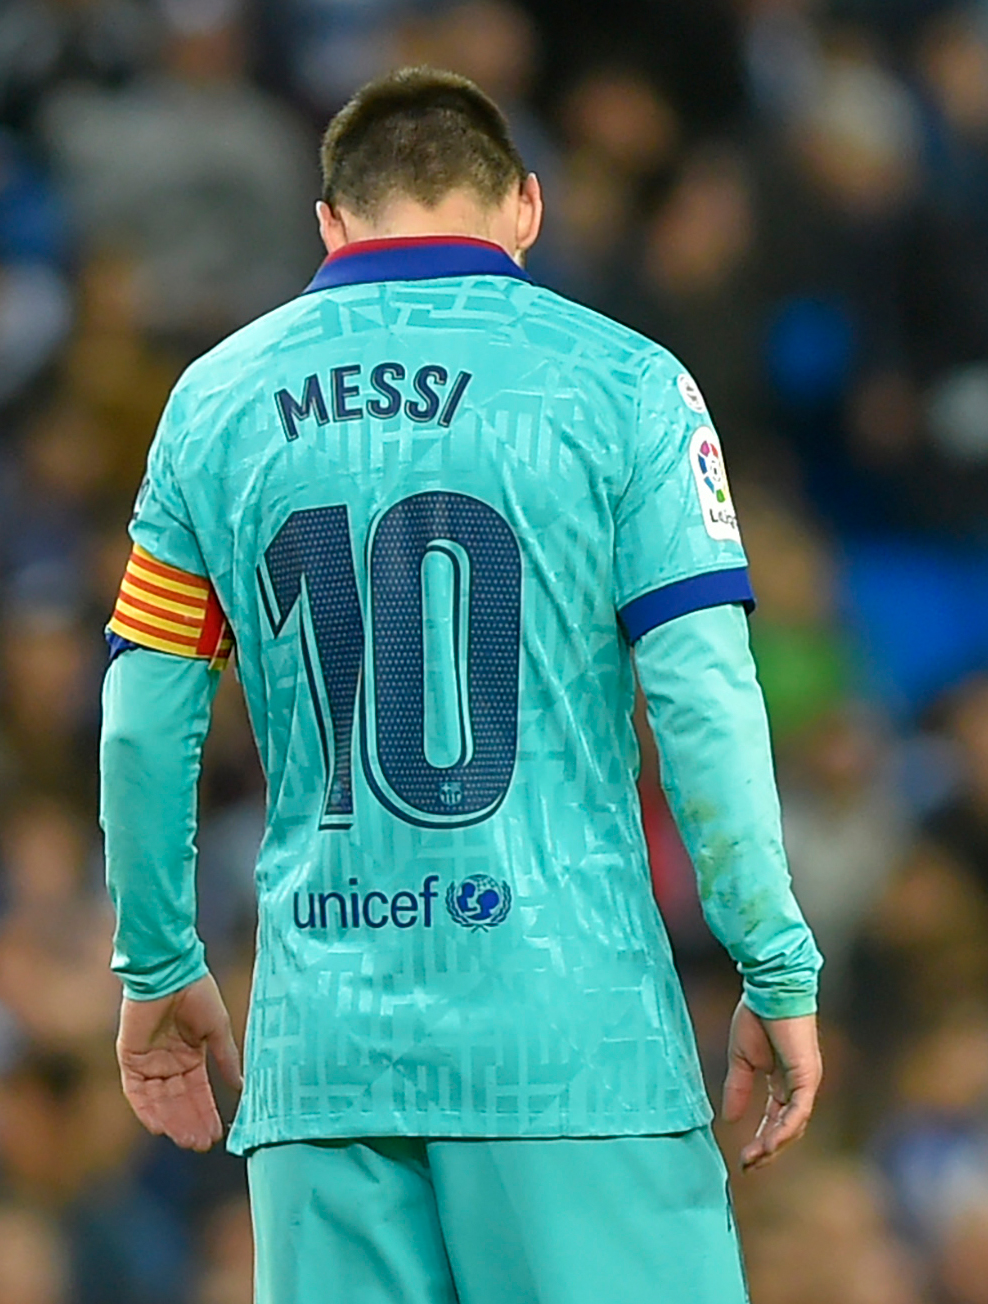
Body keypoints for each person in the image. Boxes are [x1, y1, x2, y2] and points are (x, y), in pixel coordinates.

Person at [96, 66, 824, 1304]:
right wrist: (777, 963)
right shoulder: (630, 385)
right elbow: (704, 695)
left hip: (323, 1054)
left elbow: (141, 717)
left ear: (331, 222)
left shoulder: (211, 403)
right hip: (571, 1040)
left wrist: (156, 962)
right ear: (527, 209)